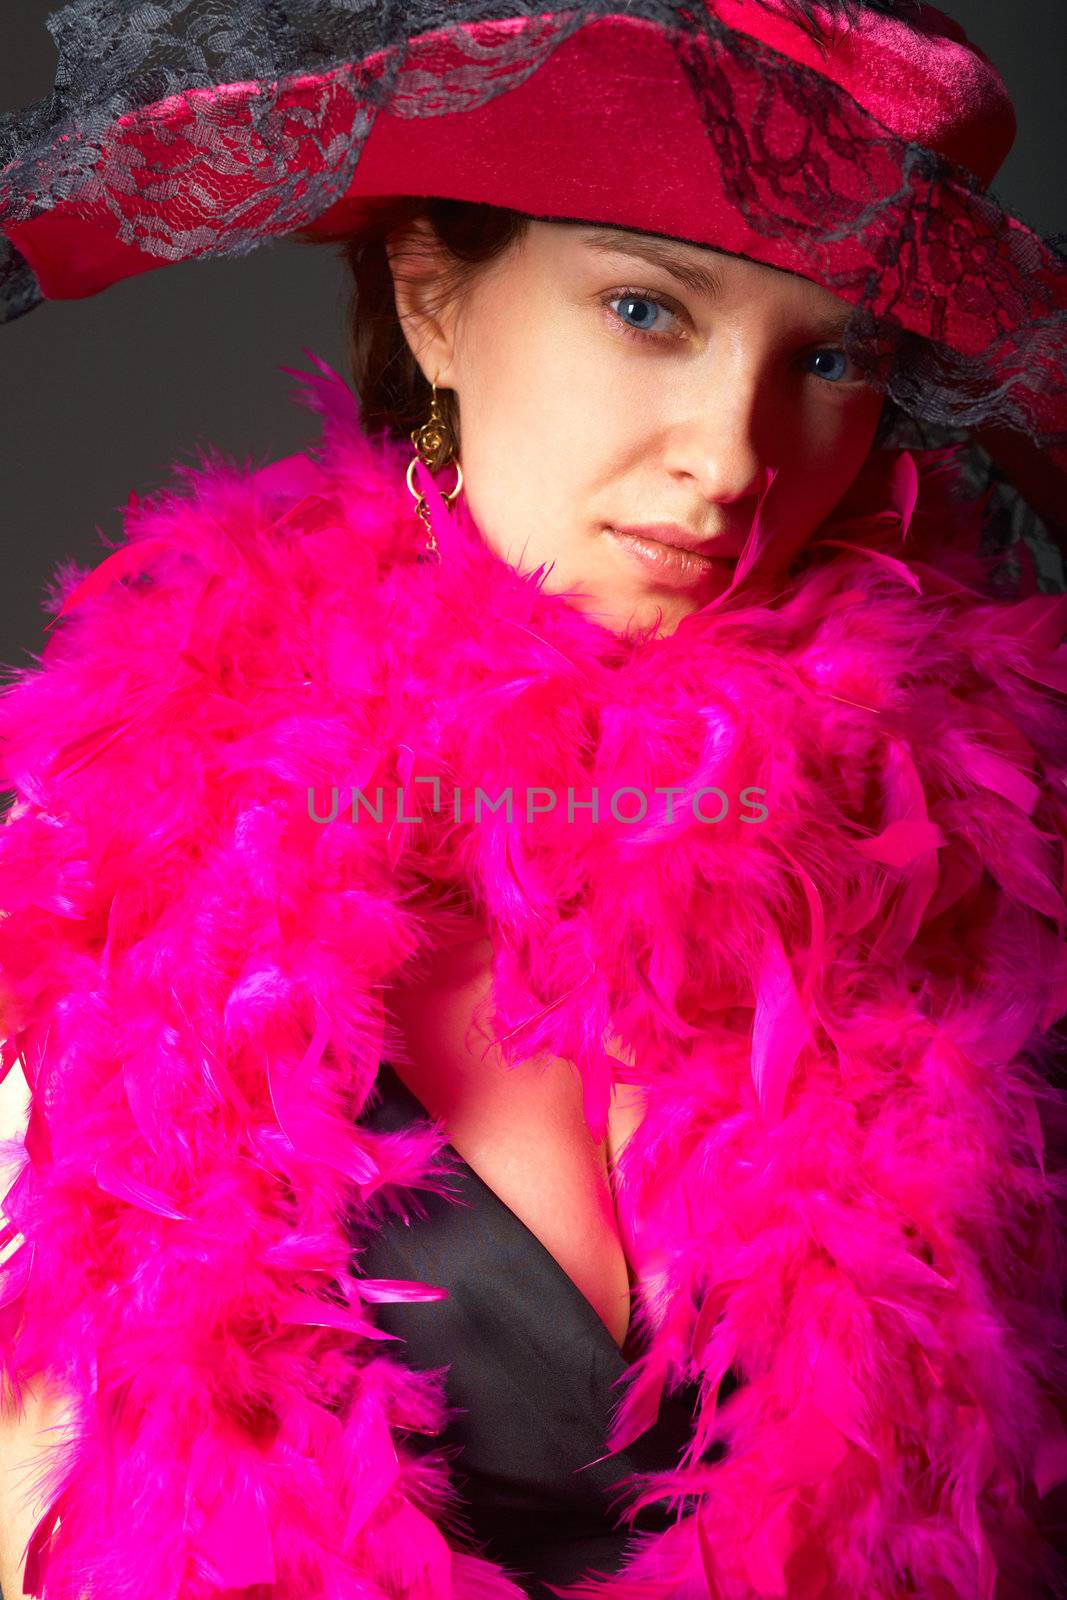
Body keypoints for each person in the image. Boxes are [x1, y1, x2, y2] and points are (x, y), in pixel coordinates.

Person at [0, 2, 1064, 1597]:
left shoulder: (983, 851)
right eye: (649, 310)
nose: (730, 455)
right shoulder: (116, 855)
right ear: (433, 298)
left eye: (832, 357)